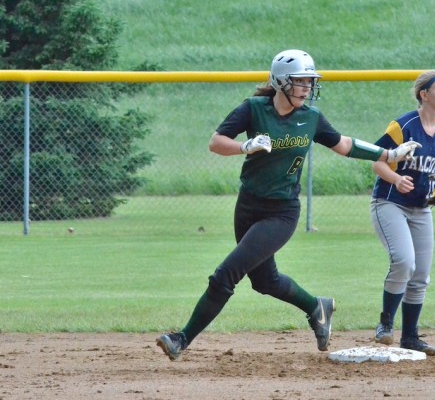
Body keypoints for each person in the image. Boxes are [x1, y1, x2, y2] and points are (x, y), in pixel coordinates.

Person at [156, 49, 421, 361]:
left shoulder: (310, 118)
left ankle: (181, 339)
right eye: (300, 82)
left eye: (310, 82)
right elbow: (216, 143)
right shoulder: (254, 108)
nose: (307, 88)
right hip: (248, 207)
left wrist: (388, 155)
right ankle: (316, 306)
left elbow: (344, 145)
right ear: (281, 82)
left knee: (226, 274)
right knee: (264, 281)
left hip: (281, 212)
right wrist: (245, 146)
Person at [370, 70, 435, 356]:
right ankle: (385, 324)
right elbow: (377, 161)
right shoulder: (403, 126)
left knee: (420, 274)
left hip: (421, 209)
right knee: (404, 262)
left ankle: (409, 337)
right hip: (390, 203)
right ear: (424, 94)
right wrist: (396, 178)